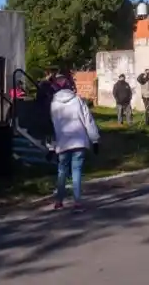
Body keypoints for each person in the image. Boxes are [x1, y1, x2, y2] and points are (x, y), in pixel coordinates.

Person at [50, 73, 100, 212]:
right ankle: (77, 201)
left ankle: (59, 201)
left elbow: (53, 126)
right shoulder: (78, 100)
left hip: (63, 142)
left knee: (62, 172)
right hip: (79, 141)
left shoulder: (54, 104)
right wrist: (94, 139)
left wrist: (51, 146)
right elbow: (88, 120)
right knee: (76, 171)